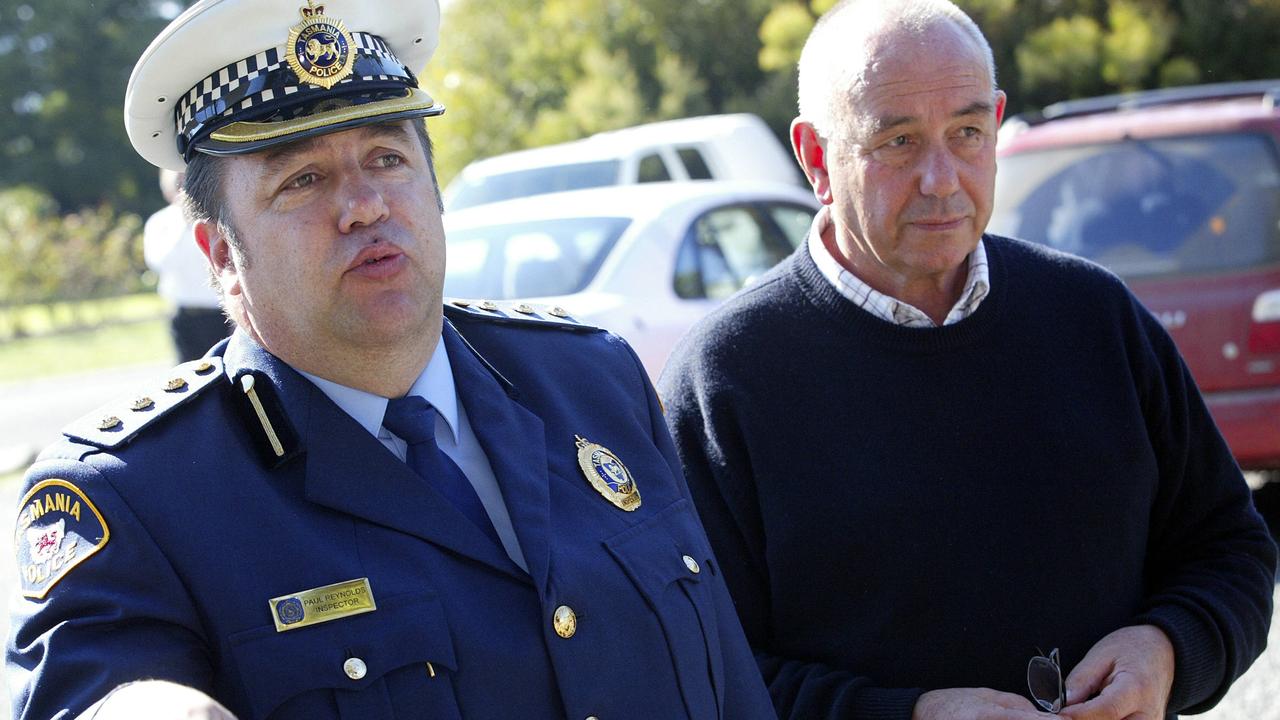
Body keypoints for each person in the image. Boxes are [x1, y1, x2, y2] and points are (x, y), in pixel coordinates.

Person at [7, 1, 775, 719]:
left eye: (386, 158)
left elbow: (732, 676)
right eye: (302, 180)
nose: (365, 205)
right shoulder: (135, 498)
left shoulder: (591, 378)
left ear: (436, 192)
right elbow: (101, 693)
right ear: (220, 256)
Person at [657, 2, 1278, 720]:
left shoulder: (1096, 317)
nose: (941, 177)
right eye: (898, 142)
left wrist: (1169, 649)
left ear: (997, 123)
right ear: (817, 158)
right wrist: (908, 715)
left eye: (967, 132)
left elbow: (1232, 549)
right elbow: (696, 670)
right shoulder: (724, 380)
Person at [143, 168, 232, 361]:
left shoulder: (216, 218)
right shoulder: (160, 222)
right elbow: (159, 262)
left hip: (221, 314)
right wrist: (183, 224)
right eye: (178, 183)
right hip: (185, 316)